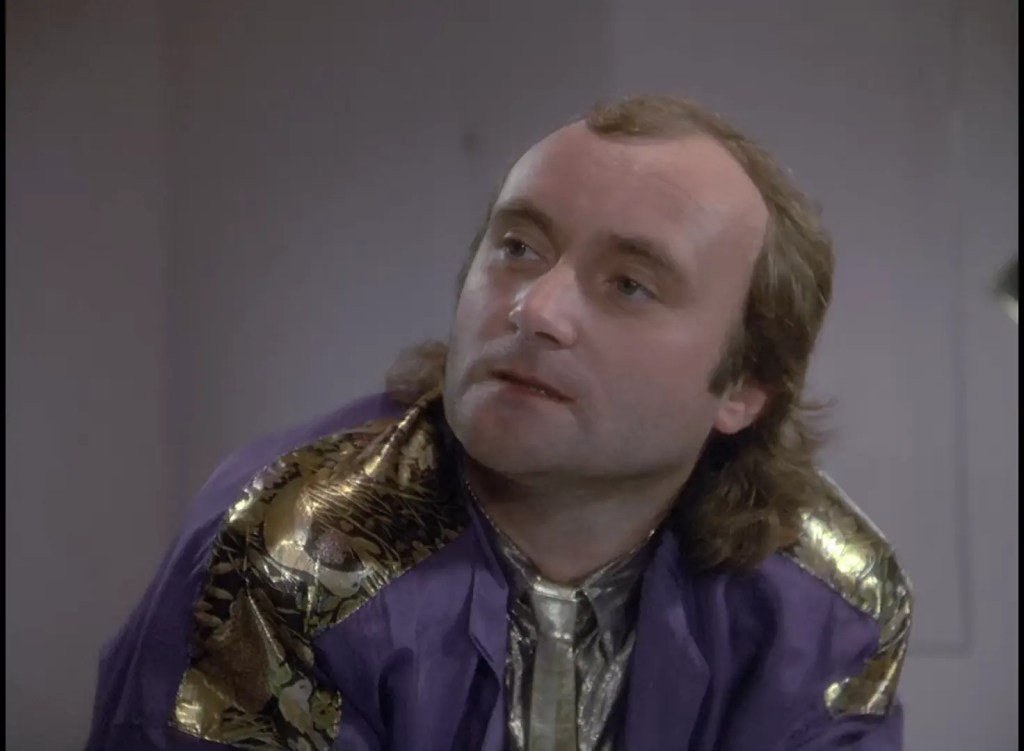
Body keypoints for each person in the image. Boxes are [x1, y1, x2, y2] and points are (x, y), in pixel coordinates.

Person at [84, 95, 912, 751]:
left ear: (745, 386)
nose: (536, 308)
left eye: (630, 284)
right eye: (518, 246)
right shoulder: (295, 547)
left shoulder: (828, 601)